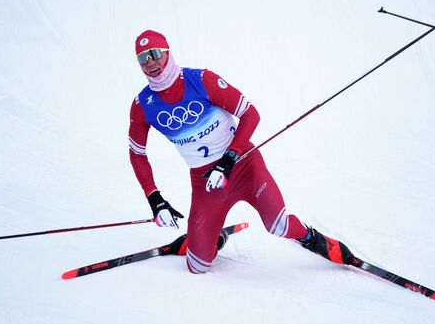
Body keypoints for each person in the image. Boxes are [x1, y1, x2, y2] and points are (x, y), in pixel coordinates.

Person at [129, 30, 354, 274]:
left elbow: (250, 114)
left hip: (243, 165)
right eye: (143, 58)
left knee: (278, 225)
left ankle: (311, 238)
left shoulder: (200, 79)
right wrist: (155, 199)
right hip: (206, 182)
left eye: (154, 54)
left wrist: (230, 157)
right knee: (197, 267)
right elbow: (137, 154)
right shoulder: (143, 105)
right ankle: (207, 238)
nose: (150, 62)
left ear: (167, 53)